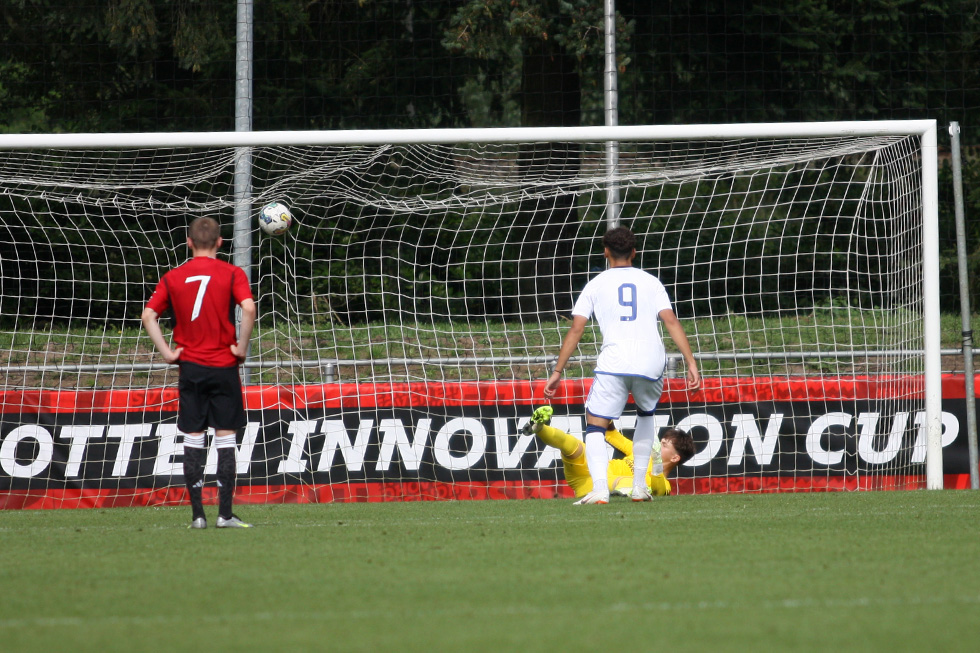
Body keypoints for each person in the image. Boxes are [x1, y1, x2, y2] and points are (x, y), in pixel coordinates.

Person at [543, 226, 701, 505]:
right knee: (645, 416)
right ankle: (640, 487)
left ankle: (600, 490)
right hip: (651, 360)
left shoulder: (595, 284)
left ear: (606, 252)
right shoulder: (651, 282)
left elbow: (577, 329)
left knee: (595, 425)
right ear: (634, 252)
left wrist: (557, 371)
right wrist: (690, 362)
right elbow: (671, 321)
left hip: (615, 360)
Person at [142, 216, 257, 529]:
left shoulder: (173, 277)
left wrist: (167, 352)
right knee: (225, 437)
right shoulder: (232, 273)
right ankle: (225, 514)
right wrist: (241, 347)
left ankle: (197, 516)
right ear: (220, 242)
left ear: (189, 243)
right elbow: (248, 308)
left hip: (190, 368)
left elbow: (149, 314)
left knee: (193, 438)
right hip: (223, 367)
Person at [522, 405, 696, 498]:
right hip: (588, 471)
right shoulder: (641, 453)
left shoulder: (664, 484)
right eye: (661, 441)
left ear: (675, 457)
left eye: (665, 445)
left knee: (636, 483)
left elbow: (658, 491)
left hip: (596, 487)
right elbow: (612, 435)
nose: (659, 445)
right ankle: (538, 427)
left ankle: (621, 492)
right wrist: (606, 412)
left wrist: (657, 463)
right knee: (575, 446)